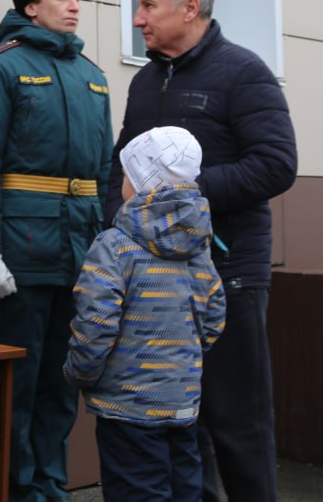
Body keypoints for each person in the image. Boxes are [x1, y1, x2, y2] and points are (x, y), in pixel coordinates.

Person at [108, 0, 297, 502]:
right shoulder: (144, 81)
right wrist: (114, 232)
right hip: (156, 280)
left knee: (237, 418)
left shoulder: (243, 72)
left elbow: (276, 165)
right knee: (182, 421)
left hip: (228, 272)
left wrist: (181, 197)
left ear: (190, 8)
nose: (138, 18)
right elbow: (119, 167)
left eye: (148, 5)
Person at [0, 0, 114, 502]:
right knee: (21, 380)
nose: (75, 6)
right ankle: (16, 485)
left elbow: (103, 176)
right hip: (22, 250)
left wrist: (105, 251)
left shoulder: (93, 77)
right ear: (31, 6)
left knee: (63, 377)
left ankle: (51, 483)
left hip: (80, 250)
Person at [65, 126, 226, 502]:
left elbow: (95, 321)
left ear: (139, 182)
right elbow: (215, 316)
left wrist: (80, 372)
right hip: (183, 400)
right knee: (185, 489)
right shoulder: (199, 247)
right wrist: (181, 359)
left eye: (125, 174)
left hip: (126, 406)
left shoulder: (114, 246)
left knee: (136, 491)